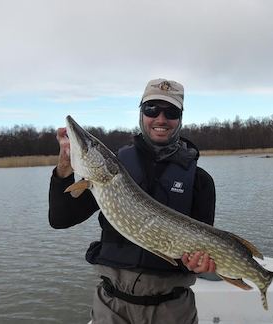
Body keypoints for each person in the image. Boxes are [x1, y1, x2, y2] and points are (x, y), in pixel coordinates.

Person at [48, 78, 217, 324]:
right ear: (141, 113)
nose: (160, 118)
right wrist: (64, 168)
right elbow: (60, 220)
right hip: (112, 306)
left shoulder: (201, 181)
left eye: (170, 112)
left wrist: (200, 263)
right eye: (152, 109)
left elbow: (202, 250)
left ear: (180, 118)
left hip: (171, 309)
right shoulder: (110, 173)